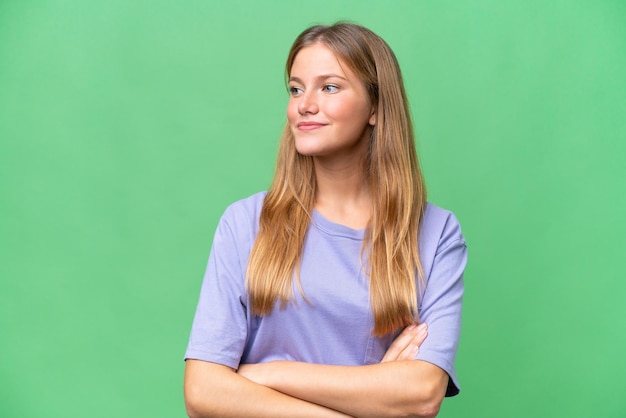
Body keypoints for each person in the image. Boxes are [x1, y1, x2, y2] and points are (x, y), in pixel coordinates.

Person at [184, 22, 467, 418]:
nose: (305, 104)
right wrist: (371, 399)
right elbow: (202, 391)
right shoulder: (245, 222)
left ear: (375, 107)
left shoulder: (436, 234)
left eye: (329, 87)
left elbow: (421, 394)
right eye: (296, 88)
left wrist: (268, 374)